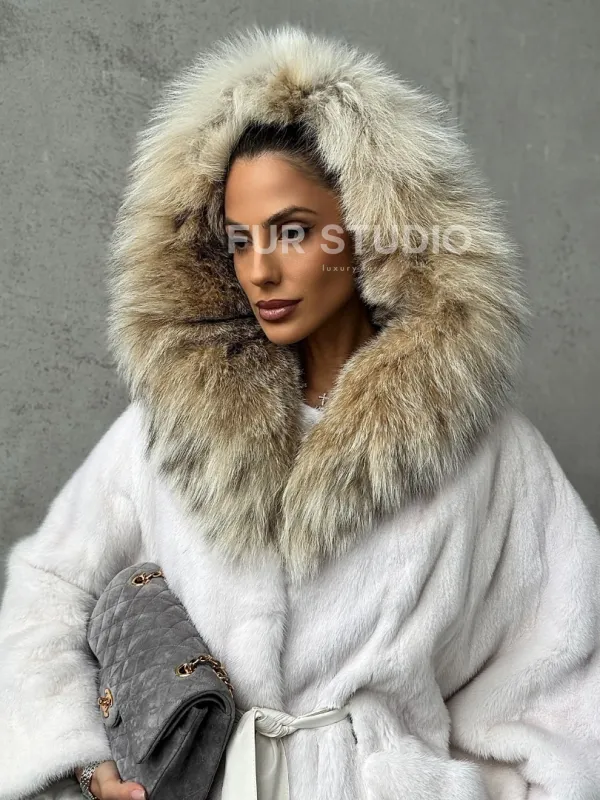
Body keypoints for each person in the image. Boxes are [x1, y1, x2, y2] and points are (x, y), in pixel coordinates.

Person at [1, 22, 599, 800]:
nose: (261, 270)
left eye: (292, 231)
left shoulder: (485, 452)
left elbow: (564, 682)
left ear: (369, 231)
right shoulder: (173, 430)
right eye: (241, 240)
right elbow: (46, 590)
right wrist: (84, 760)